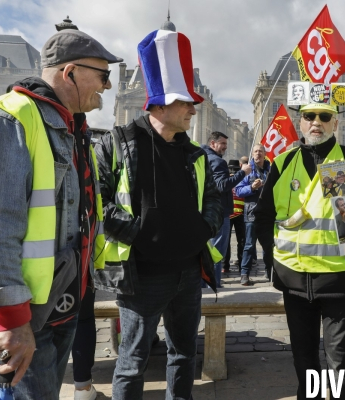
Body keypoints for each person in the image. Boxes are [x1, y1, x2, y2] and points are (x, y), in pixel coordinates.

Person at [0, 29, 119, 399]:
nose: (108, 86)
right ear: (69, 73)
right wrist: (12, 319)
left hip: (57, 301)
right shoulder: (9, 118)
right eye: (102, 75)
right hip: (23, 311)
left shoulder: (70, 124)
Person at [94, 29, 222, 400]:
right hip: (143, 275)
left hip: (188, 273)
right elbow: (98, 203)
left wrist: (202, 230)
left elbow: (216, 197)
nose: (193, 111)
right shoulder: (117, 142)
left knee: (184, 355)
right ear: (161, 105)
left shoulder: (195, 152)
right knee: (132, 361)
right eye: (186, 103)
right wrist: (139, 233)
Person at [254, 102, 345, 399]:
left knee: (341, 362)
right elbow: (263, 217)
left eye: (324, 116)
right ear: (300, 122)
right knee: (304, 362)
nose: (316, 122)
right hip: (294, 281)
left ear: (335, 123)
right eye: (309, 116)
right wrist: (271, 258)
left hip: (339, 279)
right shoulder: (283, 162)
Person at [201, 132, 250, 287]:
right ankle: (213, 282)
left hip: (207, 210)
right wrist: (243, 173)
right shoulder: (217, 161)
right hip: (219, 212)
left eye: (225, 144)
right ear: (212, 143)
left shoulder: (203, 158)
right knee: (217, 252)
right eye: (222, 143)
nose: (225, 147)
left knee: (208, 250)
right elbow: (221, 186)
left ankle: (205, 282)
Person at [235, 144, 273, 285]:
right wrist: (251, 187)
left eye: (260, 152)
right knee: (249, 245)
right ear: (252, 154)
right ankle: (244, 274)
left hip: (268, 214)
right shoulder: (247, 170)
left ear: (264, 154)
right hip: (251, 213)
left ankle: (270, 274)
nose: (258, 154)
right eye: (256, 151)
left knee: (268, 246)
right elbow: (238, 191)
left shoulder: (271, 170)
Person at [223, 159, 246, 273]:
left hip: (238, 214)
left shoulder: (241, 178)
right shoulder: (227, 179)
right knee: (228, 241)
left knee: (240, 241)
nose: (232, 172)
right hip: (231, 213)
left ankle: (240, 264)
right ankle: (225, 265)